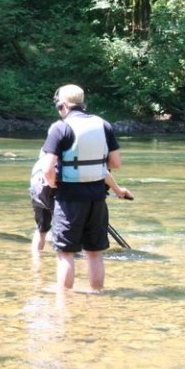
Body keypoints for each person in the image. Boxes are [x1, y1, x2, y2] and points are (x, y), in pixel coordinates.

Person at [40, 84, 123, 292]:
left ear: (63, 105)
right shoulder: (103, 125)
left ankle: (64, 300)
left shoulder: (60, 128)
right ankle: (97, 294)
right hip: (97, 198)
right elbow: (116, 163)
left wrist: (52, 185)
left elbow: (48, 168)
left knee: (65, 253)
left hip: (69, 199)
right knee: (94, 252)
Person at [30, 152, 133, 261]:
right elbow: (102, 172)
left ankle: (36, 265)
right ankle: (85, 263)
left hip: (37, 188)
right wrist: (118, 190)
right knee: (83, 231)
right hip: (54, 187)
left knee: (41, 230)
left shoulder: (47, 156)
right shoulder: (82, 154)